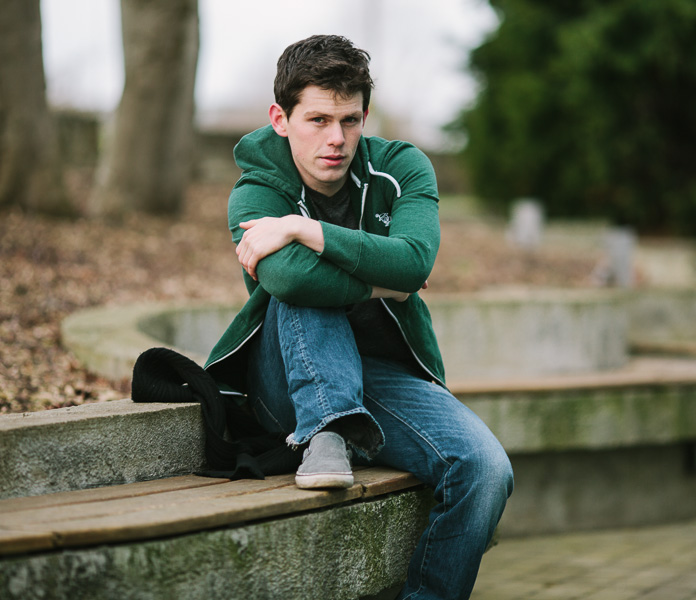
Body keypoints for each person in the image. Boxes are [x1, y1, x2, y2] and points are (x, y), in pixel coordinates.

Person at [203, 35, 514, 599]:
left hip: (382, 378)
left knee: (487, 470)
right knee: (302, 290)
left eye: (349, 121)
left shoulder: (401, 168)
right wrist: (383, 283)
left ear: (364, 116)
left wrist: (306, 230)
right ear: (281, 118)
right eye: (318, 119)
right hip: (287, 388)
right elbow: (290, 280)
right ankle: (327, 428)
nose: (336, 139)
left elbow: (416, 261)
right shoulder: (256, 188)